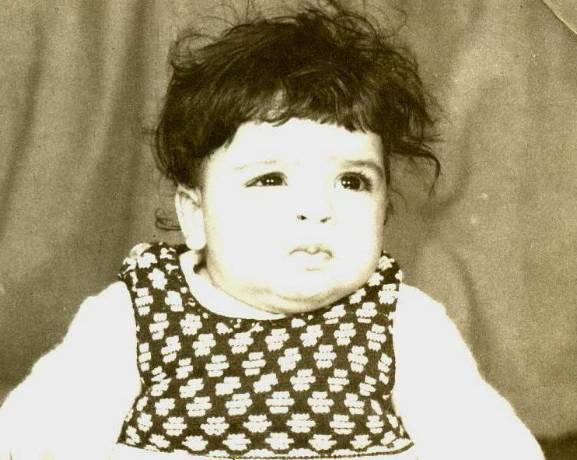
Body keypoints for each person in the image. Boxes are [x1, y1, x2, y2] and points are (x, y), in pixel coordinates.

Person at [0, 2, 545, 459]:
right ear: (195, 215)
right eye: (270, 179)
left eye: (352, 181)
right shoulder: (137, 312)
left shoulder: (401, 320)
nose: (316, 208)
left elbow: (490, 443)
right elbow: (35, 435)